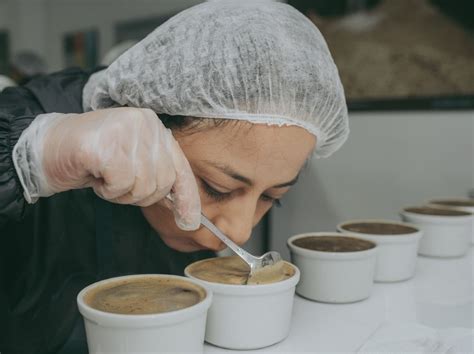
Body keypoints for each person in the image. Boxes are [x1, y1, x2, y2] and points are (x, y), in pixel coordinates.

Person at [0, 1, 349, 353]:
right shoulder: (35, 120)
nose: (241, 232)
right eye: (217, 187)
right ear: (151, 117)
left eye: (271, 196)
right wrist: (31, 158)